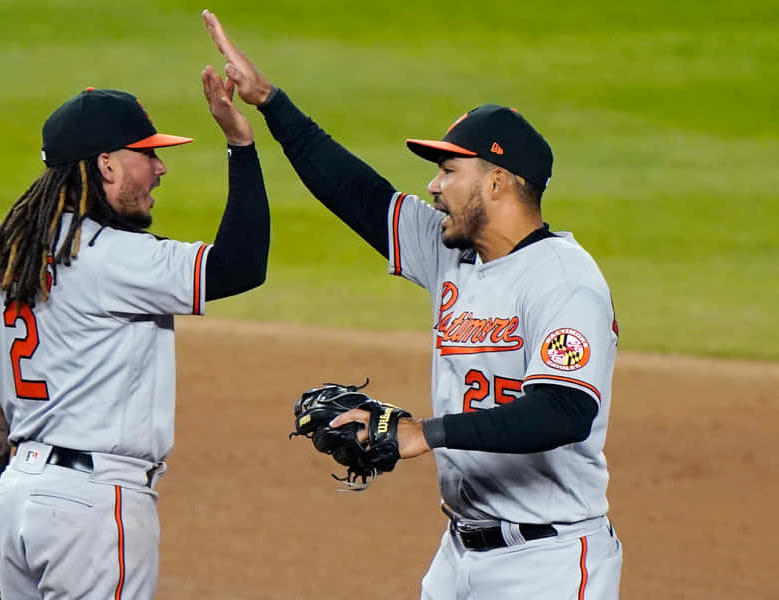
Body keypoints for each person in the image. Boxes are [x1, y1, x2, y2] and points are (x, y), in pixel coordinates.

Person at [203, 9, 622, 599]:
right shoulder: (453, 252)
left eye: (450, 170)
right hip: (458, 554)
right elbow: (357, 193)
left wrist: (423, 433)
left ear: (497, 182)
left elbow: (562, 412)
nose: (433, 185)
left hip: (547, 563)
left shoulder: (564, 281)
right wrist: (270, 100)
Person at [0, 63, 269, 600]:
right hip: (93, 508)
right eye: (147, 154)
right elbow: (240, 265)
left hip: (18, 501)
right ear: (106, 164)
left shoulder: (8, 260)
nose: (159, 169)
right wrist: (240, 143)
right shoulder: (115, 257)